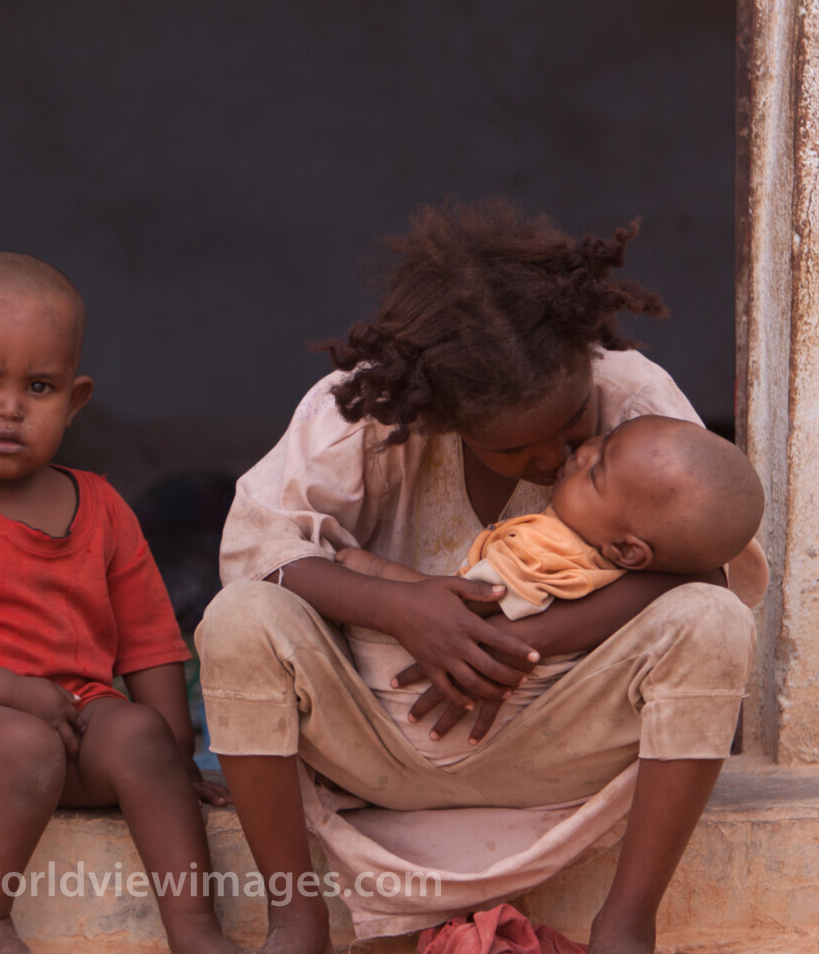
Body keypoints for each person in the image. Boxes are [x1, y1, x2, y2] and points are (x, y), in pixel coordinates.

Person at [196, 201, 761, 954]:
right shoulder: (378, 403)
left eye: (573, 428)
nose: (559, 457)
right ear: (448, 420)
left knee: (715, 622)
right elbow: (256, 548)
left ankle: (626, 925)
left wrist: (523, 642)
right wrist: (403, 611)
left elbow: (711, 574)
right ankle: (295, 921)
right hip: (383, 744)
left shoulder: (630, 396)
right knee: (240, 618)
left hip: (557, 742)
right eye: (520, 449)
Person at [0, 253, 242, 954]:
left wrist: (174, 763)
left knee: (143, 734)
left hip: (70, 726)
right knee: (22, 745)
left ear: (75, 400)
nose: (11, 407)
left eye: (39, 386)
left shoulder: (104, 508)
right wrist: (13, 692)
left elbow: (151, 645)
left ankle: (196, 932)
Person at [337, 414, 764, 755]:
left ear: (628, 550)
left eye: (596, 475)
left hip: (425, 718)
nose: (583, 453)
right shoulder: (631, 562)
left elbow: (463, 606)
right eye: (606, 438)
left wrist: (375, 573)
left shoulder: (548, 548)